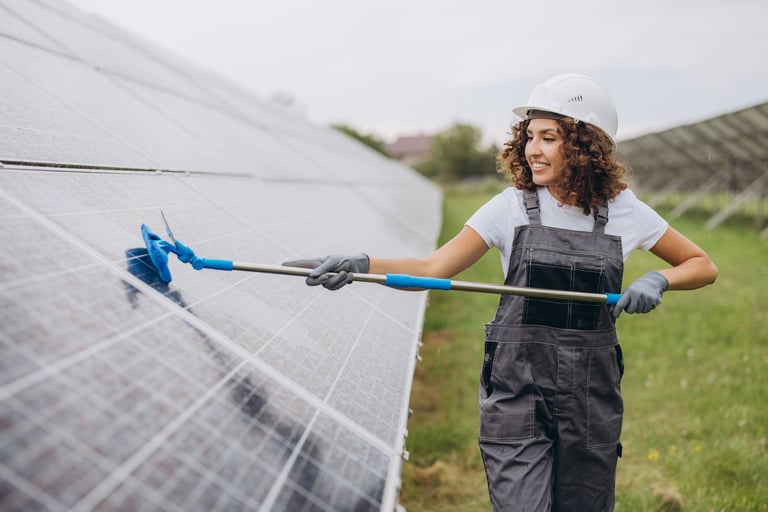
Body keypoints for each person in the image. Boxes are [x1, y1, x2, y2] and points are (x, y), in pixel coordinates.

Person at [286, 74, 718, 511]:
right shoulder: (510, 206)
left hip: (590, 398)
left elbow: (702, 264)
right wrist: (363, 265)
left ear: (586, 145)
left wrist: (660, 279)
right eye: (530, 136)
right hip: (517, 393)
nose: (533, 149)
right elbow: (432, 268)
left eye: (549, 137)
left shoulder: (626, 211)